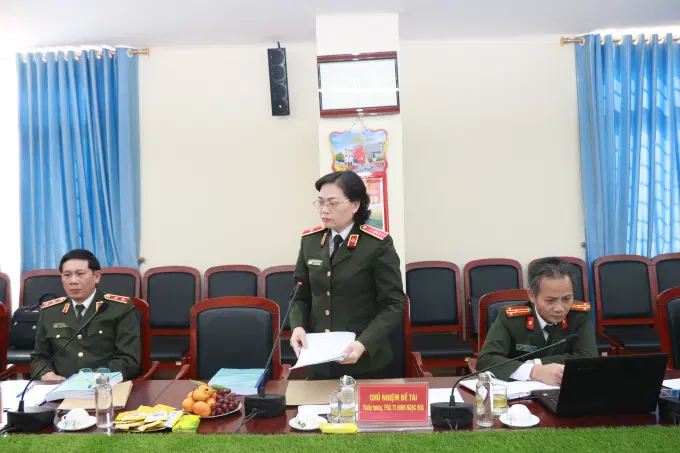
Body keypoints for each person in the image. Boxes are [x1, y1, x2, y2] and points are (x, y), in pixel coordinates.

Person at [289, 171, 405, 379]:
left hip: (365, 362)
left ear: (355, 205)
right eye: (321, 202)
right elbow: (299, 295)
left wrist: (364, 343)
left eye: (333, 203)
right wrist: (297, 326)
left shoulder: (376, 244)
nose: (324, 210)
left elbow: (394, 304)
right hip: (319, 361)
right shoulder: (310, 241)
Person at [476, 257, 597, 385]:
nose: (560, 308)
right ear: (532, 296)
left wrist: (537, 362)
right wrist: (534, 371)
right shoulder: (511, 319)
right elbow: (486, 360)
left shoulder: (578, 316)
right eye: (550, 300)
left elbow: (589, 358)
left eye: (567, 299)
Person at [30, 249, 141, 381]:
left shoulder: (119, 308)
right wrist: (46, 374)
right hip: (60, 386)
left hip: (104, 385)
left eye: (80, 274)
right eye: (67, 275)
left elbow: (129, 360)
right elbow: (39, 357)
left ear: (97, 276)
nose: (73, 281)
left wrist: (92, 378)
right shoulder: (50, 311)